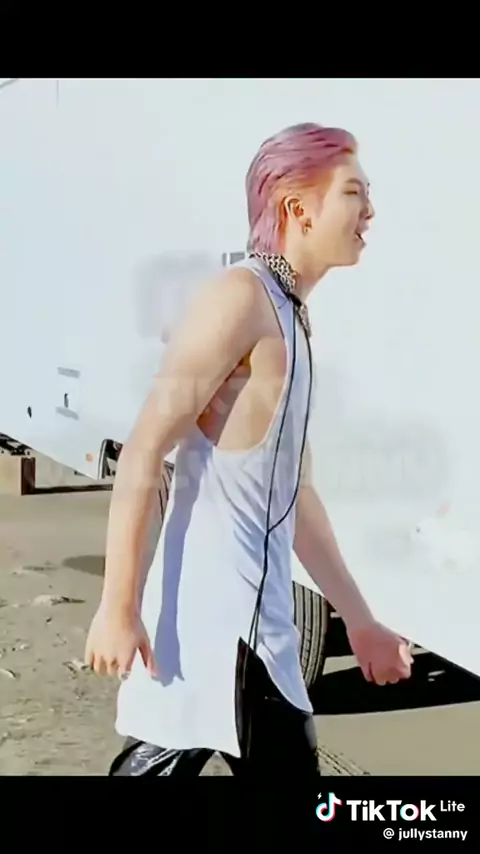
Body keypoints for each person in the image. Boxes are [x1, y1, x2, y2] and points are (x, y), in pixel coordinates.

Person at [85, 122, 413, 778]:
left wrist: (360, 620)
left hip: (259, 634)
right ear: (297, 208)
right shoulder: (240, 299)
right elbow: (145, 450)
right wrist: (118, 606)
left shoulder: (289, 313)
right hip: (211, 631)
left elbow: (296, 495)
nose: (370, 211)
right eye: (354, 193)